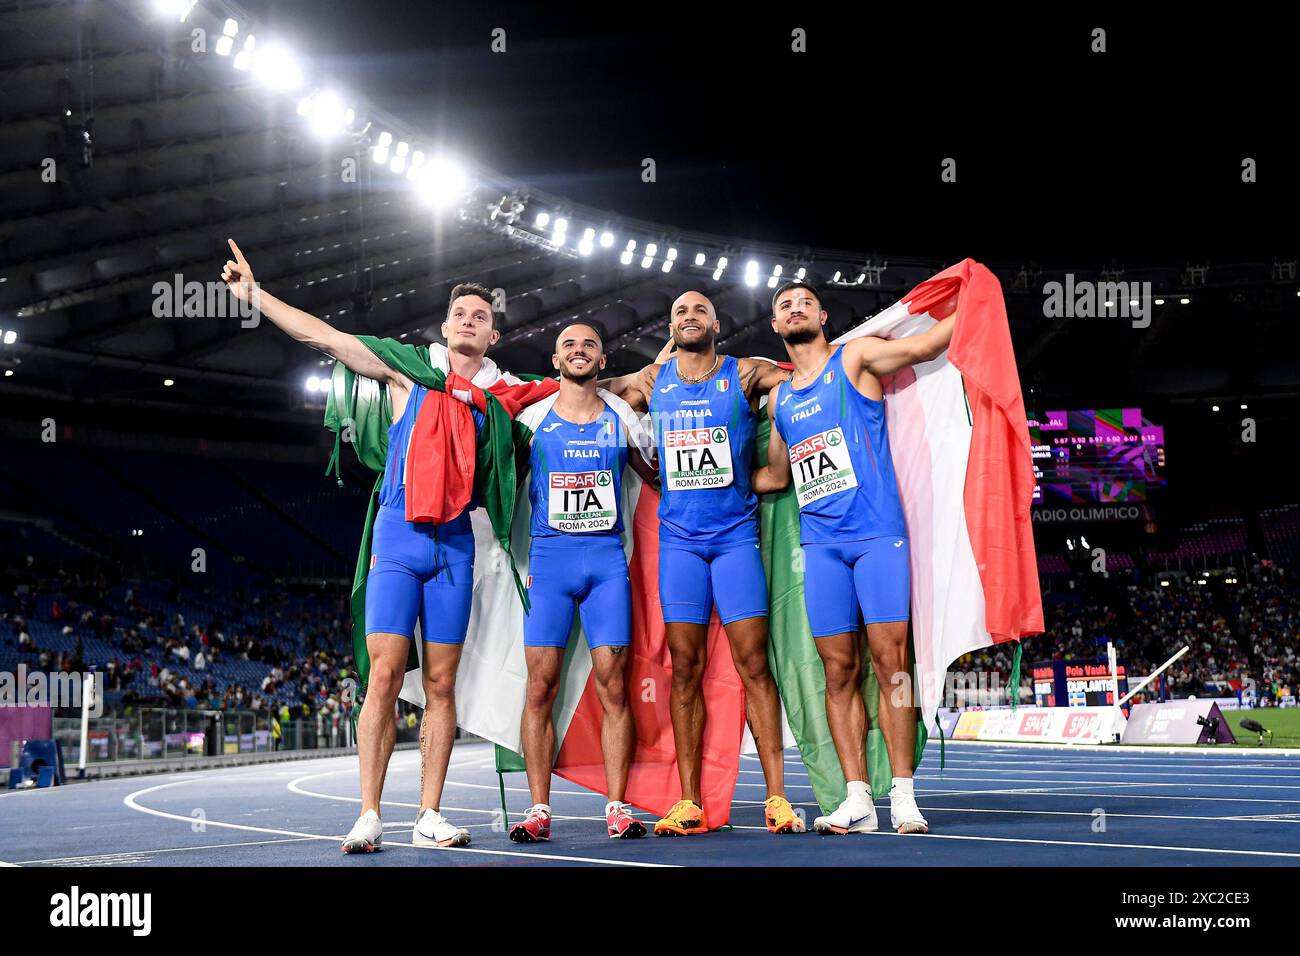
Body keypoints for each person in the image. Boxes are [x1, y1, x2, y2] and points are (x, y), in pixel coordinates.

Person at [222, 239, 505, 852]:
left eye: (481, 317)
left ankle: (429, 815)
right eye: (461, 314)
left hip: (456, 547)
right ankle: (369, 813)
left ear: (492, 338)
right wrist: (257, 296)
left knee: (441, 685)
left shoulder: (500, 398)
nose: (469, 322)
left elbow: (582, 387)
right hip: (400, 539)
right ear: (444, 327)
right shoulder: (407, 370)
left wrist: (655, 371)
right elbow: (328, 339)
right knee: (382, 675)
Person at [600, 290, 803, 836]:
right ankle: (689, 801)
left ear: (718, 323)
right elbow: (593, 393)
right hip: (680, 546)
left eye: (699, 311)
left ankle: (778, 798)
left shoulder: (743, 374)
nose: (689, 317)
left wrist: (782, 422)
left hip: (735, 540)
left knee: (754, 666)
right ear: (670, 328)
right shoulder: (652, 381)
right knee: (684, 672)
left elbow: (805, 376)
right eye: (679, 313)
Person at [757, 280, 954, 835]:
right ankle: (856, 796)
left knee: (892, 665)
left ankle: (904, 795)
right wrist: (700, 485)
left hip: (876, 538)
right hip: (822, 550)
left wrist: (980, 298)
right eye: (783, 307)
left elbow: (925, 347)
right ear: (776, 325)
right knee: (838, 671)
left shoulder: (857, 358)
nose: (794, 310)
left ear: (822, 315)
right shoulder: (780, 398)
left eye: (803, 303)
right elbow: (776, 475)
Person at [509, 324, 657, 843]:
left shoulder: (622, 417)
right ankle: (538, 809)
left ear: (602, 359)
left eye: (589, 345)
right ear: (556, 359)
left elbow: (660, 473)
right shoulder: (530, 420)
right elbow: (498, 476)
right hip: (549, 566)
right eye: (570, 345)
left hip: (606, 567)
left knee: (614, 687)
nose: (579, 351)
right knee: (539, 689)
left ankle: (617, 806)